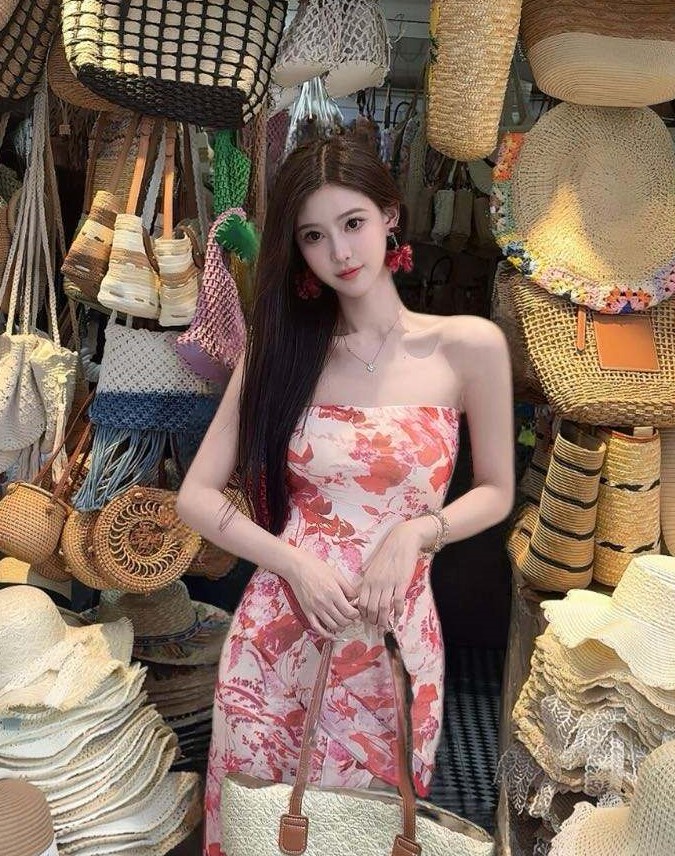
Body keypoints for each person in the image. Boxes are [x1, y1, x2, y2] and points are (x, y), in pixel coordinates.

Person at [176, 135, 515, 856]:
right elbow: (196, 497)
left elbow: (495, 491)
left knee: (371, 831)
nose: (339, 251)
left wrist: (416, 532)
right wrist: (293, 562)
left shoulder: (467, 345)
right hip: (277, 636)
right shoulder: (280, 350)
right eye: (313, 235)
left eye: (352, 222)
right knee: (260, 827)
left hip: (391, 632)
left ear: (390, 216)